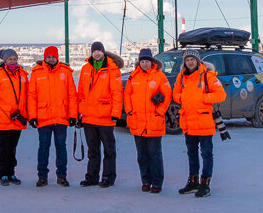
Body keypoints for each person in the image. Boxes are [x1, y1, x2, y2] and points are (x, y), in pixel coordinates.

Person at [173, 49, 226, 197]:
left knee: (206, 154)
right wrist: (182, 98)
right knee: (192, 154)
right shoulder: (181, 77)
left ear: (198, 61)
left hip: (204, 122)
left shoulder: (208, 75)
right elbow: (175, 93)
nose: (190, 62)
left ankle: (205, 184)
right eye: (187, 60)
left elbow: (221, 94)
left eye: (192, 59)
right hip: (188, 122)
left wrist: (203, 98)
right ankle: (193, 181)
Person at [27, 45, 78, 187]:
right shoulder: (37, 73)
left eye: (53, 57)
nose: (50, 59)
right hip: (43, 118)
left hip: (61, 117)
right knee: (43, 147)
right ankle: (42, 176)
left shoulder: (66, 72)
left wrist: (73, 115)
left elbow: (72, 95)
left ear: (57, 57)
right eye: (48, 57)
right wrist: (32, 116)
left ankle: (62, 176)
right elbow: (31, 96)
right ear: (44, 58)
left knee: (61, 147)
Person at [124, 47, 172, 193]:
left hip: (154, 122)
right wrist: (130, 111)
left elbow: (167, 94)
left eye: (147, 61)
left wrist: (160, 111)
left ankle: (157, 182)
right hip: (137, 121)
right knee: (141, 155)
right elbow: (127, 94)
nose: (144, 64)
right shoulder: (133, 76)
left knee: (154, 154)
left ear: (152, 62)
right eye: (142, 61)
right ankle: (145, 180)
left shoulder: (160, 76)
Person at [77, 41, 123, 188]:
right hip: (89, 117)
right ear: (91, 53)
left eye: (99, 51)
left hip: (106, 117)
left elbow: (117, 92)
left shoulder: (112, 69)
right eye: (94, 51)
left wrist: (116, 112)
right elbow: (81, 93)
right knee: (93, 150)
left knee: (109, 150)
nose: (97, 53)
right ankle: (92, 177)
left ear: (104, 52)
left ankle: (108, 177)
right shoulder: (85, 69)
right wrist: (79, 114)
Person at [0, 48, 29, 185]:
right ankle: (3, 174)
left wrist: (28, 113)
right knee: (4, 147)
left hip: (18, 116)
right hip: (2, 116)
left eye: (15, 59)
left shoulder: (22, 74)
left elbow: (28, 95)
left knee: (13, 147)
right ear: (5, 61)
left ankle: (11, 173)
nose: (13, 61)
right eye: (10, 59)